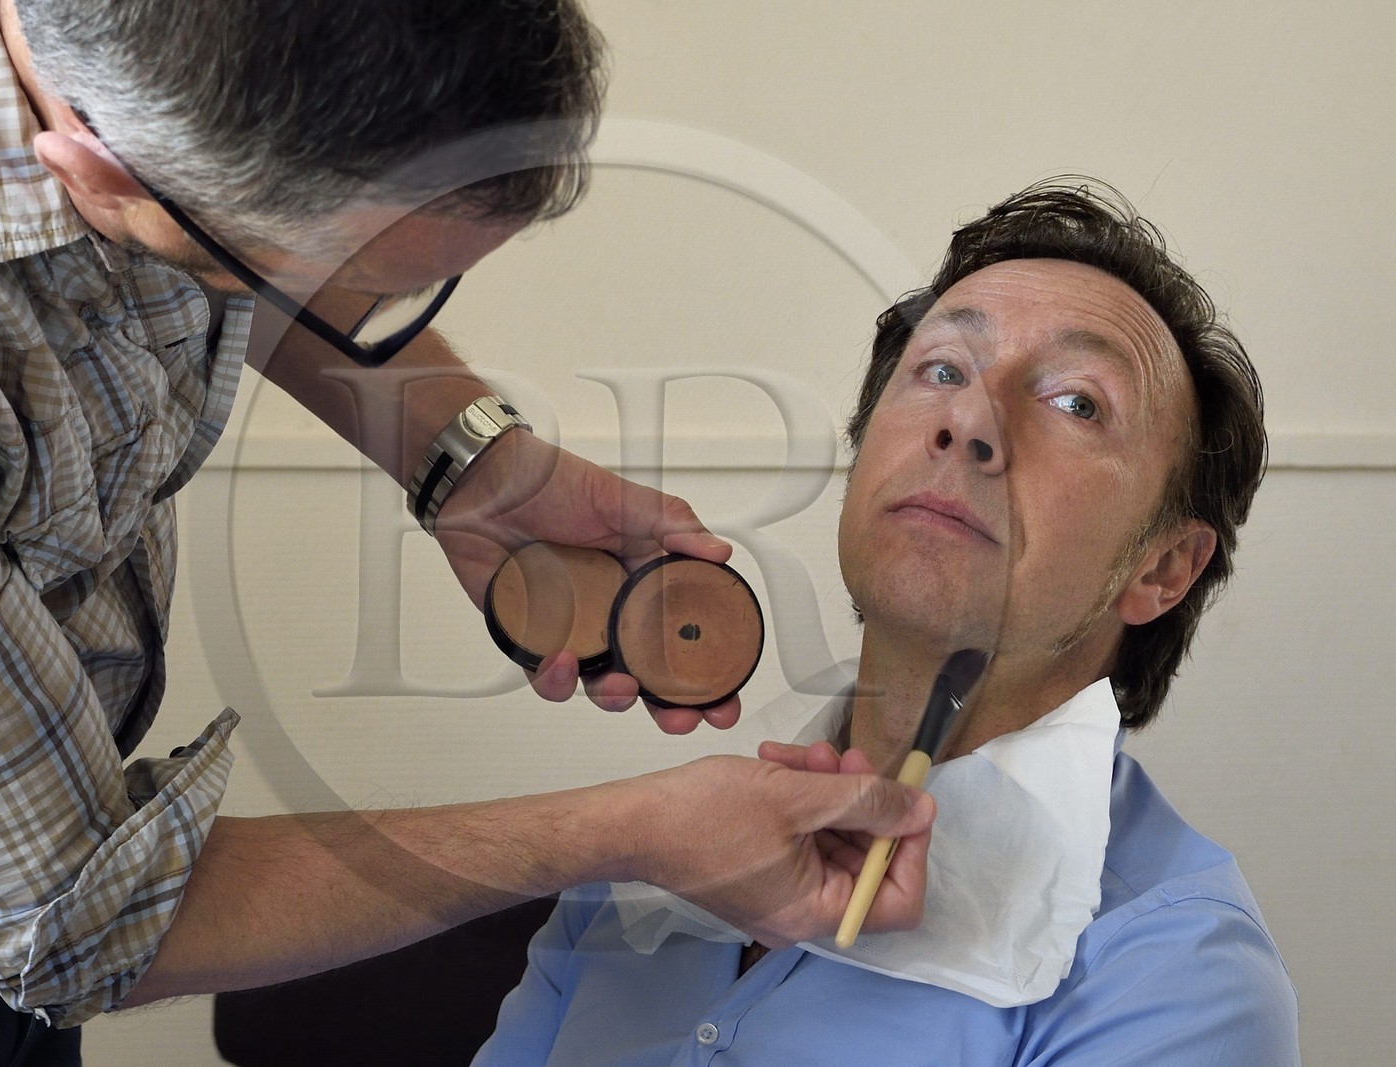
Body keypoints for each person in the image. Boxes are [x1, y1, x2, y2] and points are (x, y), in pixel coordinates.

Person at [0, 0, 936, 1060]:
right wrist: (631, 828)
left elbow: (243, 253)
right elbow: (73, 918)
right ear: (97, 177)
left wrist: (470, 462)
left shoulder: (142, 112)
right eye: (376, 290)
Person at [475, 181, 1301, 1065]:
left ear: (1163, 567)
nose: (969, 420)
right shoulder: (636, 880)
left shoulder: (1176, 976)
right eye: (942, 369)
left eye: (1076, 402)